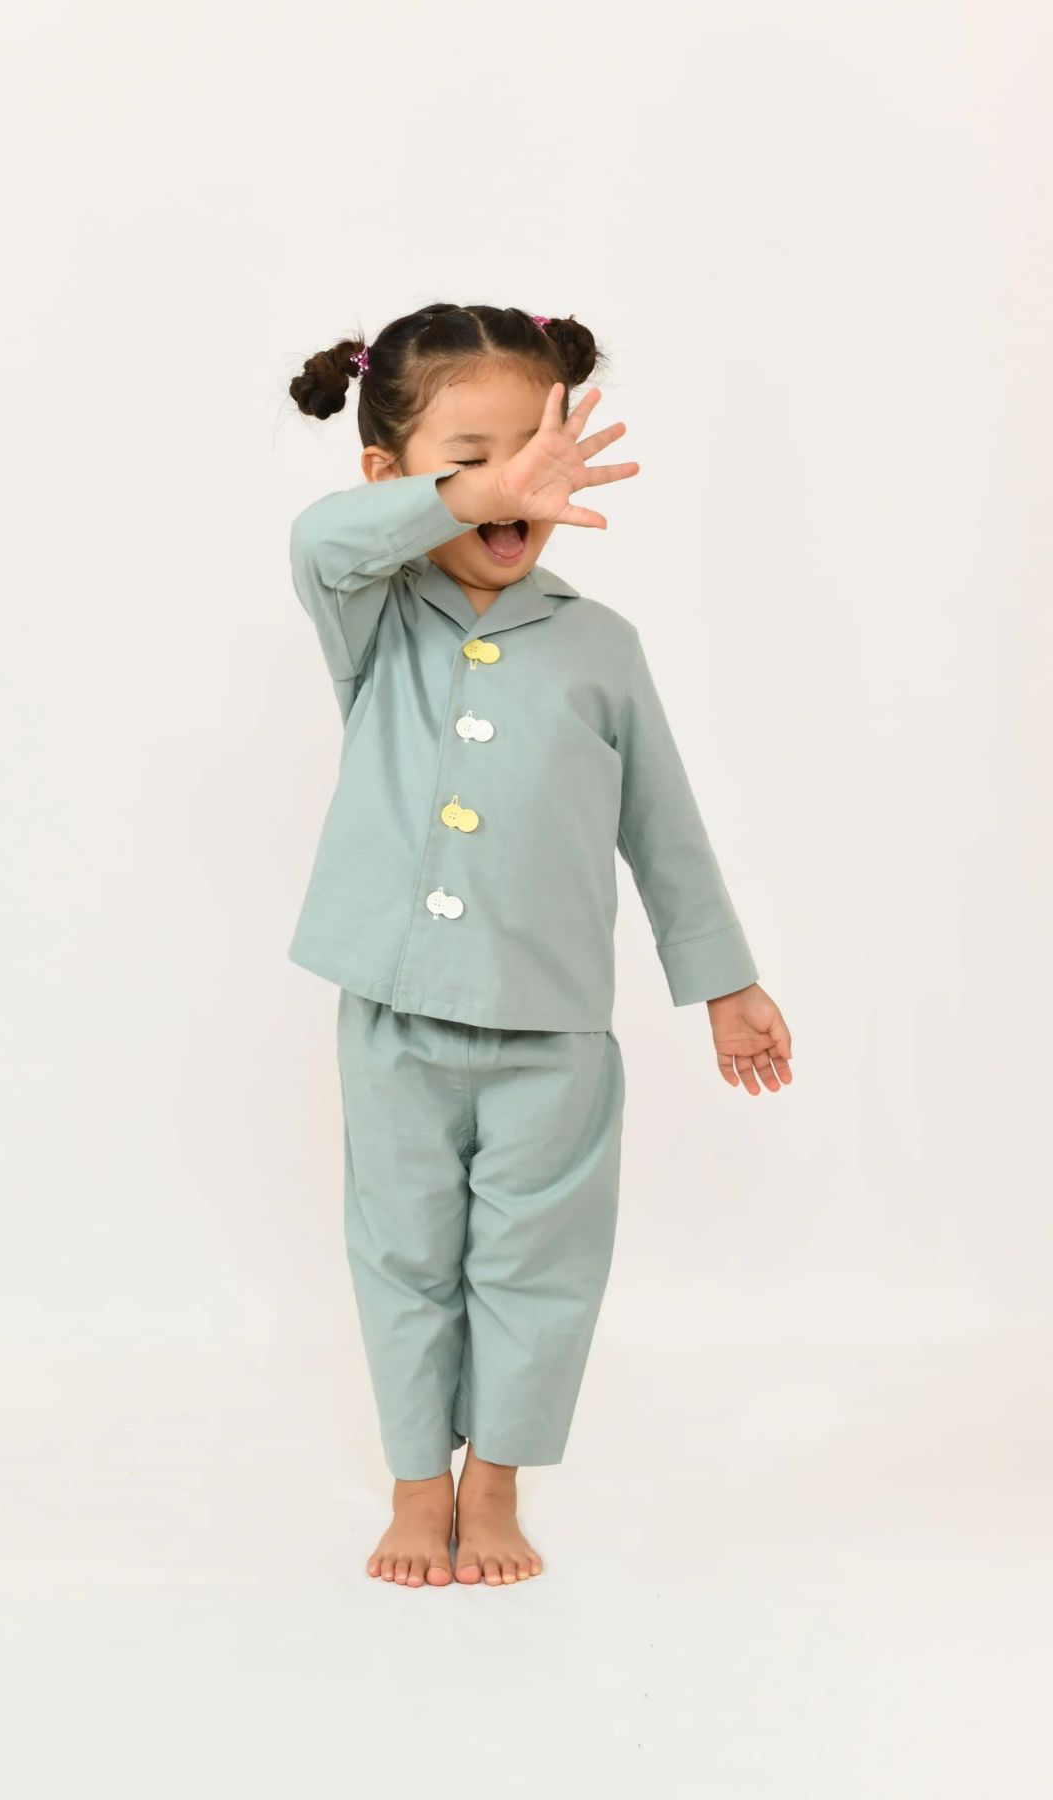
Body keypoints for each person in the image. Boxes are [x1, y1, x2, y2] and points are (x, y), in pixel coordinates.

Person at [284, 303, 792, 1589]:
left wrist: (725, 983)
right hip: (394, 1013)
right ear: (393, 476)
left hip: (554, 1027)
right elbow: (319, 536)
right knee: (402, 1254)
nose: (518, 486)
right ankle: (416, 1483)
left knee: (536, 1264)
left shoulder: (602, 648)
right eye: (476, 460)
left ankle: (496, 1483)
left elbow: (664, 828)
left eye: (536, 455)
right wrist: (474, 495)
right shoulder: (372, 611)